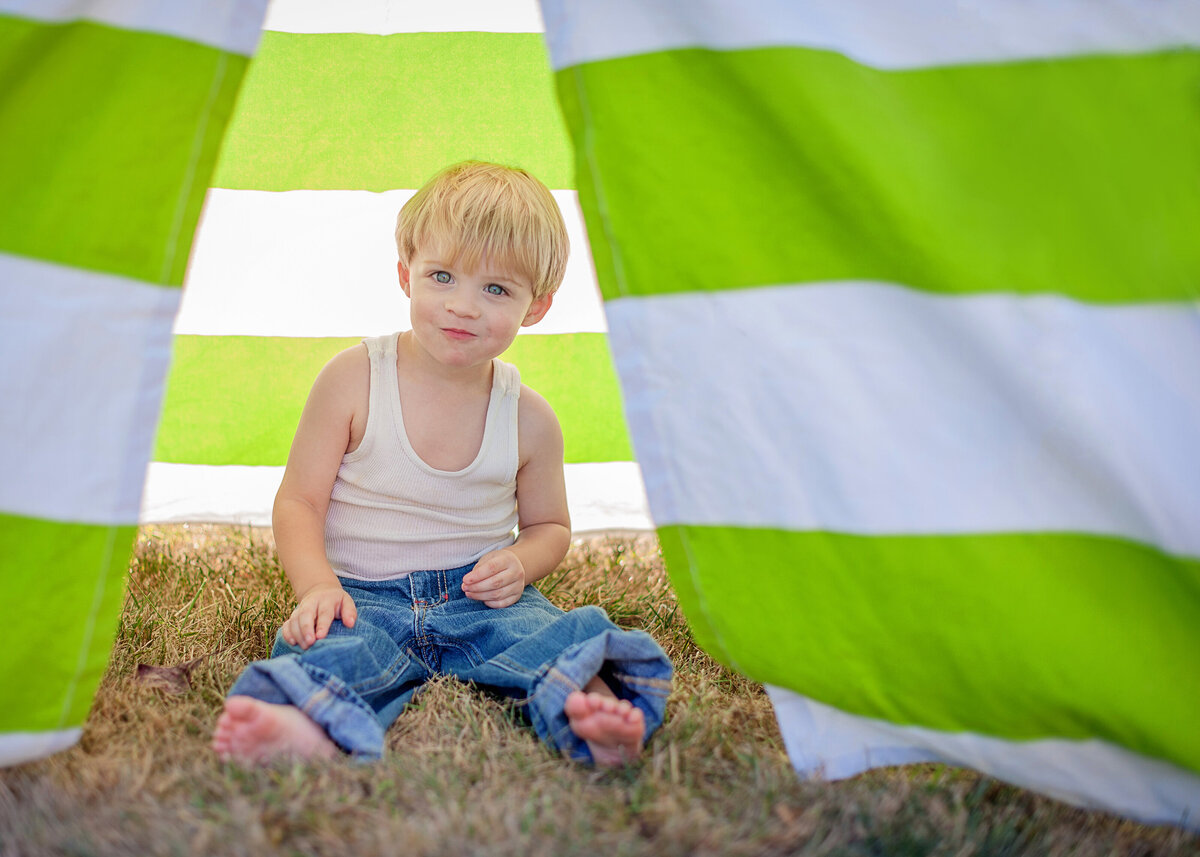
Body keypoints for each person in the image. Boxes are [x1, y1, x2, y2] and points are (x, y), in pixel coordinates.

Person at [211, 161, 673, 766]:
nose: (463, 306)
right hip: (361, 595)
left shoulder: (529, 419)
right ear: (406, 275)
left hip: (478, 601)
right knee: (332, 647)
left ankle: (589, 711)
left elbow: (550, 529)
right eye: (443, 276)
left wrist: (518, 561)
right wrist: (317, 585)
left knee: (551, 636)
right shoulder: (353, 379)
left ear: (536, 307)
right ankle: (304, 727)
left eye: (496, 290)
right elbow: (300, 501)